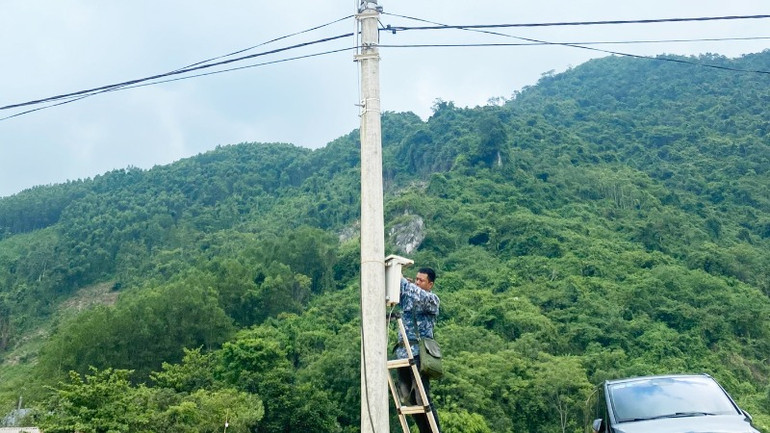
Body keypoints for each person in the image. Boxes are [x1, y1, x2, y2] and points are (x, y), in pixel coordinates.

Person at [395, 267, 441, 433]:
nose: (417, 282)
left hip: (418, 353)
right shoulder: (408, 297)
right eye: (416, 279)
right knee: (409, 399)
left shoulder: (432, 300)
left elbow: (419, 295)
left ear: (430, 284)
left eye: (421, 280)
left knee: (422, 398)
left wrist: (403, 281)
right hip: (402, 353)